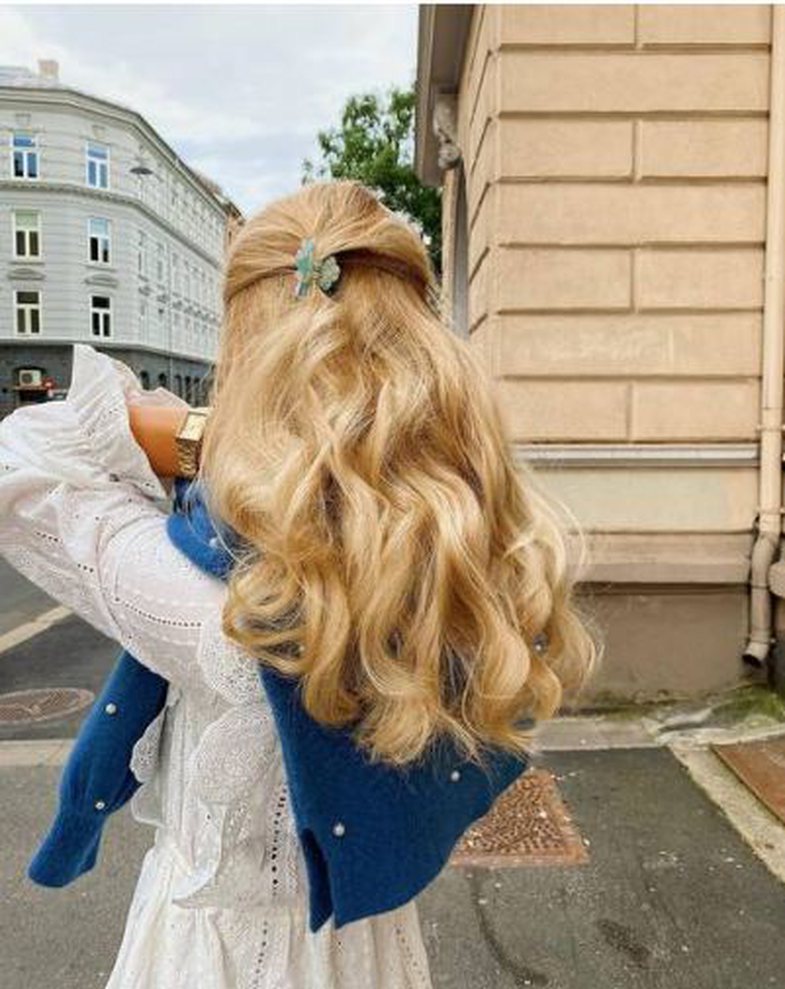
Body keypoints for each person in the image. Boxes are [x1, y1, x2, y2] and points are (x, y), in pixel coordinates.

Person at [0, 179, 599, 987]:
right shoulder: (453, 559)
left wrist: (200, 434)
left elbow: (23, 456)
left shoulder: (221, 601)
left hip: (215, 960)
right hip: (370, 951)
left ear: (248, 351)